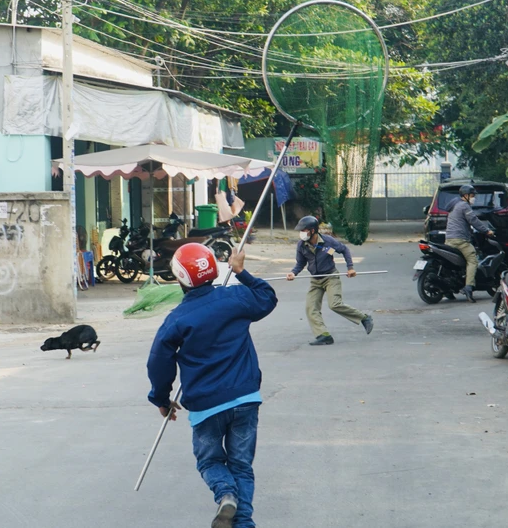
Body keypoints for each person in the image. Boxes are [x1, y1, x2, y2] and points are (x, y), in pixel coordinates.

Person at [147, 243, 277, 528]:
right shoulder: (237, 298)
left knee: (210, 462)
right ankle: (243, 523)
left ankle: (225, 494)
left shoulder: (176, 320)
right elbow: (267, 297)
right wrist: (242, 272)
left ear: (180, 278)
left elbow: (158, 362)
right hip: (245, 399)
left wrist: (161, 398)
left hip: (206, 408)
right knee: (241, 466)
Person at [286, 215, 373, 346]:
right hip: (315, 280)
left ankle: (364, 318)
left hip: (330, 277)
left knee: (334, 304)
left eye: (304, 230)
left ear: (313, 231)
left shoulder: (328, 242)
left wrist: (350, 268)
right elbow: (300, 263)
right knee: (311, 308)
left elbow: (344, 250)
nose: (302, 233)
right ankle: (323, 335)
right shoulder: (302, 245)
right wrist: (293, 273)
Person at [445, 184, 494, 303]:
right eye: (472, 195)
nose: (473, 198)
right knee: (472, 260)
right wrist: (487, 231)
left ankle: (449, 290)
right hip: (460, 240)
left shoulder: (454, 205)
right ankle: (468, 287)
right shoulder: (464, 206)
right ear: (465, 196)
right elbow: (474, 220)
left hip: (449, 239)